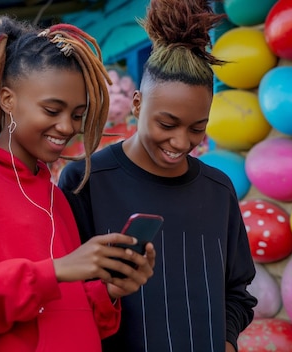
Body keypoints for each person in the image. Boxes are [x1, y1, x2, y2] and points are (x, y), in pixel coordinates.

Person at [0, 16, 156, 352]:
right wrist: (53, 272)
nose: (67, 127)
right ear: (8, 100)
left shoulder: (55, 196)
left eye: (78, 115)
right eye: (52, 109)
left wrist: (108, 289)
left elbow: (57, 314)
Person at [58, 0, 258, 351]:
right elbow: (69, 294)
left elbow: (238, 293)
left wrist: (226, 340)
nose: (181, 142)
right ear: (136, 104)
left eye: (198, 127)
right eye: (166, 124)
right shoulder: (84, 181)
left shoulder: (218, 190)